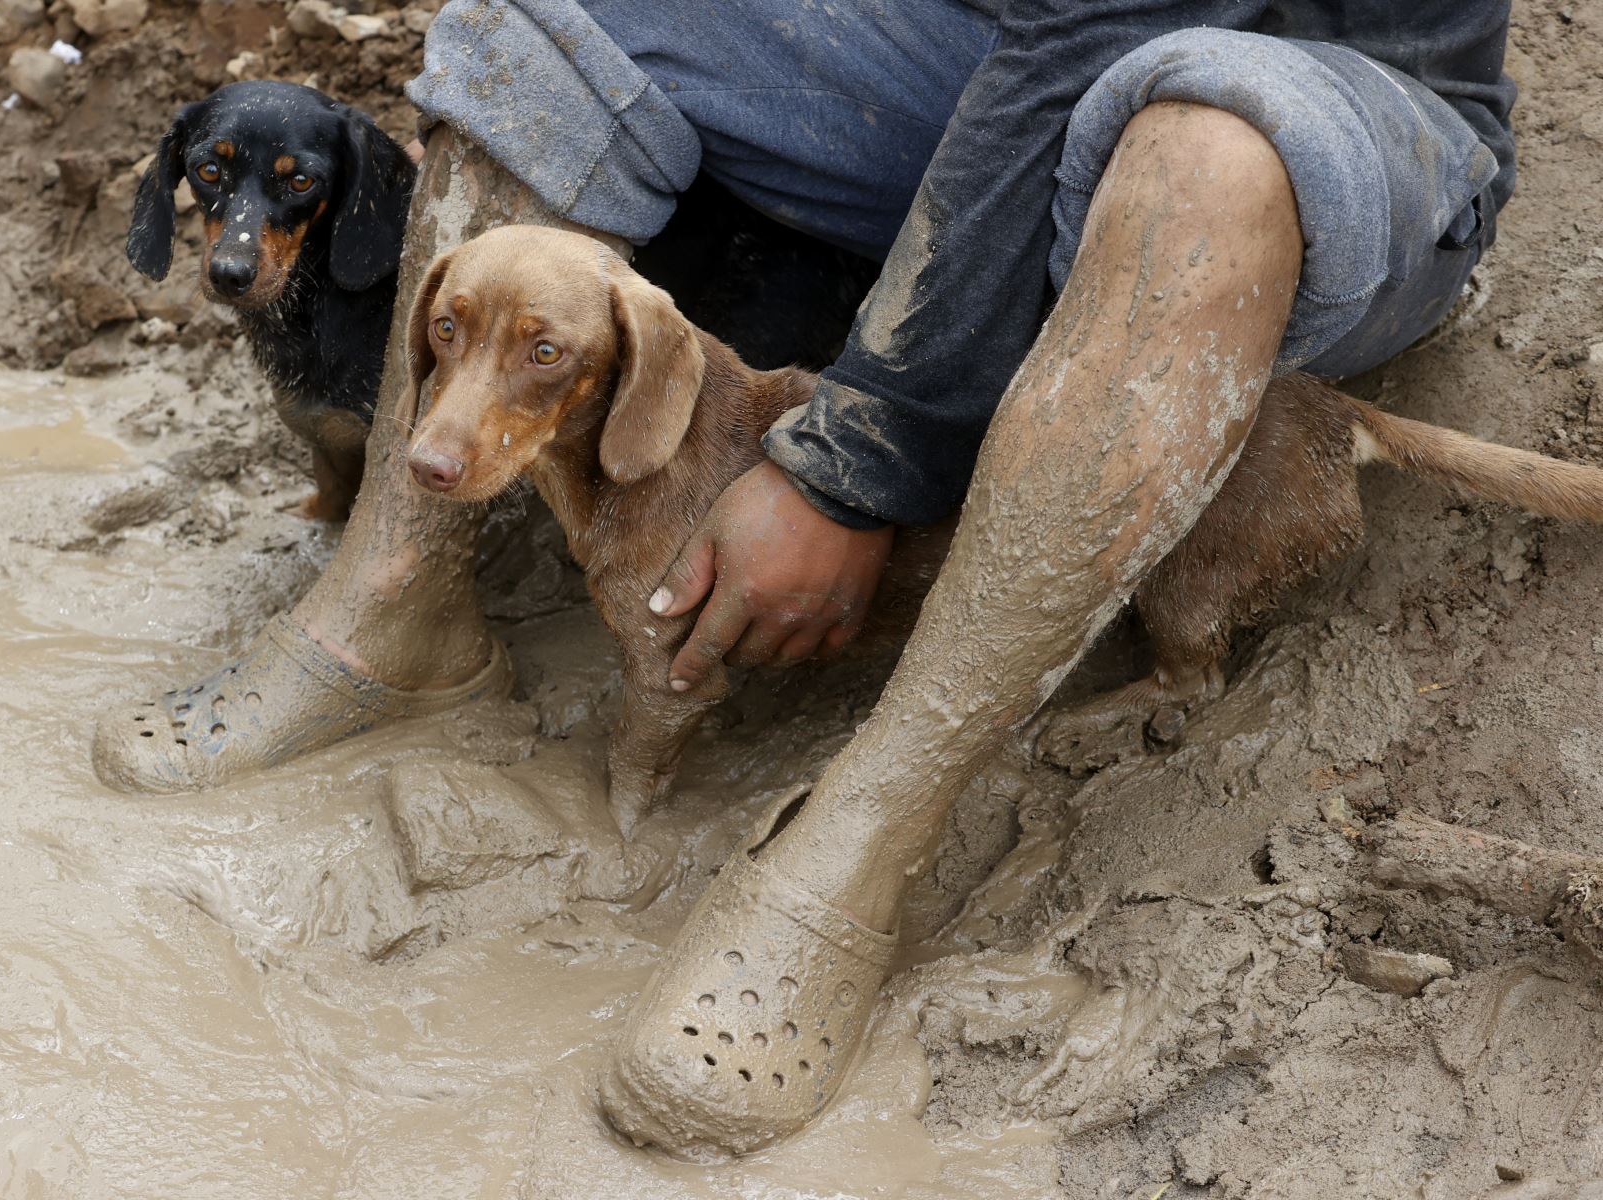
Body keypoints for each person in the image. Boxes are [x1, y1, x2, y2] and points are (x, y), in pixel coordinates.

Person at [94, 0, 1515, 1156]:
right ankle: (395, 595)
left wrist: (856, 455)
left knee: (1198, 137)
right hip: (994, 45)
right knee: (544, 16)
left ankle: (871, 827)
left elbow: (1109, 32)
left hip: (1328, 86)